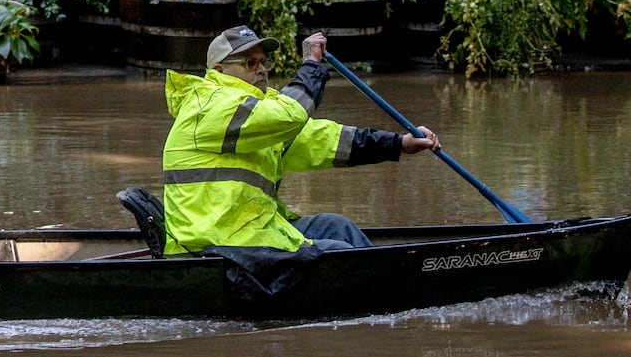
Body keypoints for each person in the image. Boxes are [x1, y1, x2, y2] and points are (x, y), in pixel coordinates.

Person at [162, 25, 441, 255]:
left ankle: (391, 284)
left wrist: (398, 143)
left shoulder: (254, 114)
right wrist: (311, 65)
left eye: (263, 61)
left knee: (337, 228)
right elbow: (290, 115)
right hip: (217, 243)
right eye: (250, 62)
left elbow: (323, 141)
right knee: (332, 252)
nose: (261, 69)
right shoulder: (211, 106)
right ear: (220, 71)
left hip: (249, 233)